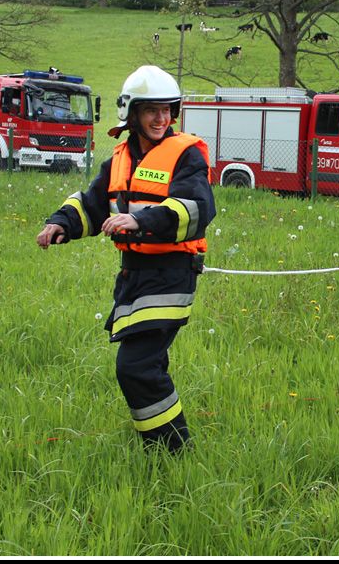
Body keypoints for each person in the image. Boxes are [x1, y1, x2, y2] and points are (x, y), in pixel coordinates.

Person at [36, 65, 216, 453]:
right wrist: (60, 223)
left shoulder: (186, 155)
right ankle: (163, 444)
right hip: (134, 278)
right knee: (148, 363)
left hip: (170, 277)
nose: (161, 118)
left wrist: (139, 220)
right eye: (152, 110)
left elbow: (197, 208)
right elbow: (94, 203)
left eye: (167, 110)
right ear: (131, 113)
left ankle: (171, 448)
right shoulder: (120, 156)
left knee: (135, 366)